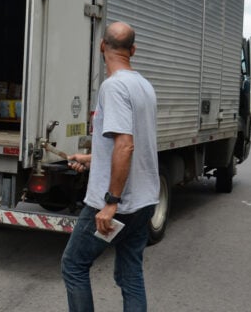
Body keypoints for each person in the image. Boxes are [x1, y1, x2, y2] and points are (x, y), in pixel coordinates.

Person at [61, 21, 159, 311]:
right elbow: (130, 147)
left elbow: (125, 145)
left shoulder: (113, 87)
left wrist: (111, 202)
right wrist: (91, 160)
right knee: (130, 275)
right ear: (133, 50)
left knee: (74, 265)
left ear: (102, 46)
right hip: (144, 202)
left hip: (119, 205)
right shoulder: (144, 86)